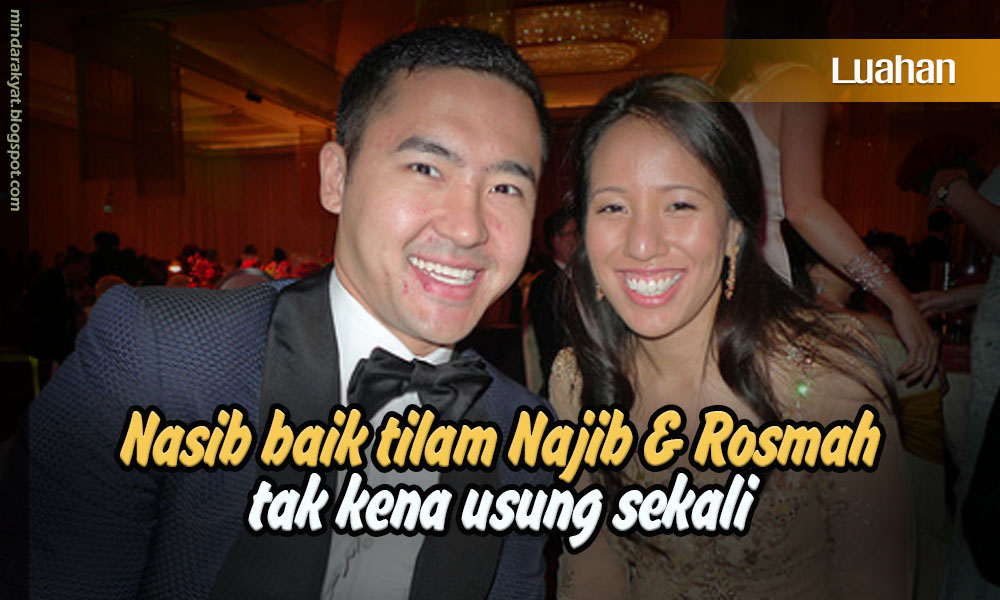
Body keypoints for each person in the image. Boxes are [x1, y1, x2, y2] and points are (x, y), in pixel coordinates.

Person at [1, 26, 553, 599]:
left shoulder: (521, 433)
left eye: (506, 188)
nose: (467, 228)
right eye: (426, 169)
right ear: (336, 178)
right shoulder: (162, 360)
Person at [550, 74, 910, 598]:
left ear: (735, 230)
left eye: (680, 205)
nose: (642, 244)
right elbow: (591, 567)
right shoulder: (579, 379)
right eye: (612, 207)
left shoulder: (826, 378)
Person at [714, 0, 939, 387]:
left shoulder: (717, 89)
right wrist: (898, 298)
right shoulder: (798, 81)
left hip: (707, 269)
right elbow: (804, 206)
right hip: (755, 272)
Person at [526, 206, 579, 395]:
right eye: (572, 234)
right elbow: (555, 340)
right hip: (562, 379)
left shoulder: (581, 278)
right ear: (555, 240)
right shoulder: (545, 283)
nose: (578, 240)